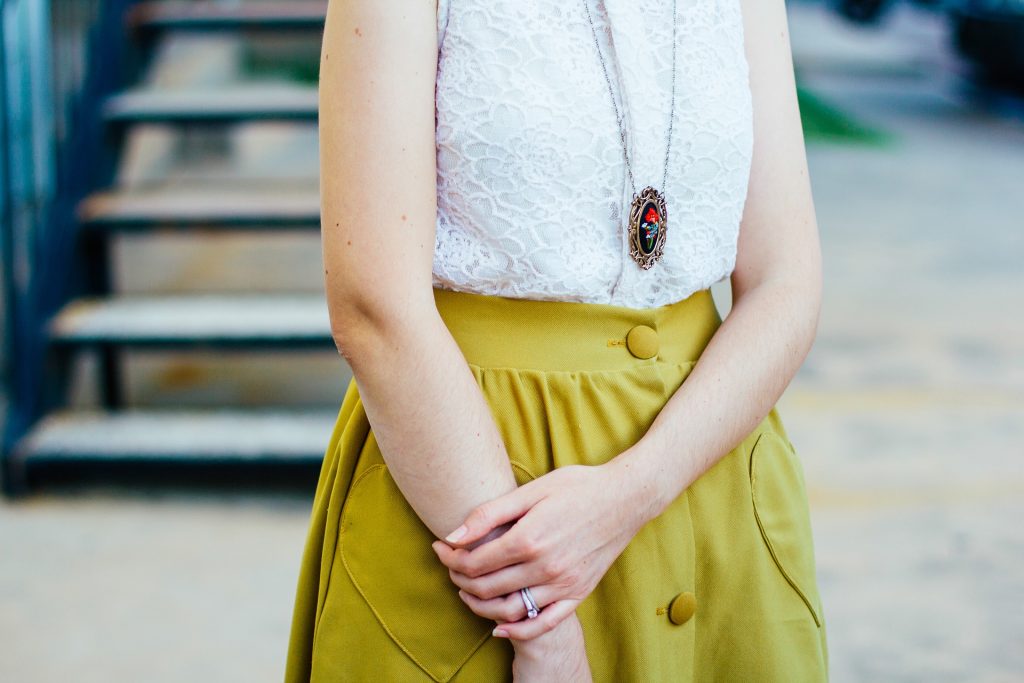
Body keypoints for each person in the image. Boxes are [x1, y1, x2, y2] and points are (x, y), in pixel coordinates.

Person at [285, 0, 829, 680]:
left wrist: (638, 487)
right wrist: (538, 620)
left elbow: (788, 280)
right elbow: (375, 308)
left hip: (708, 473)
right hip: (475, 503)